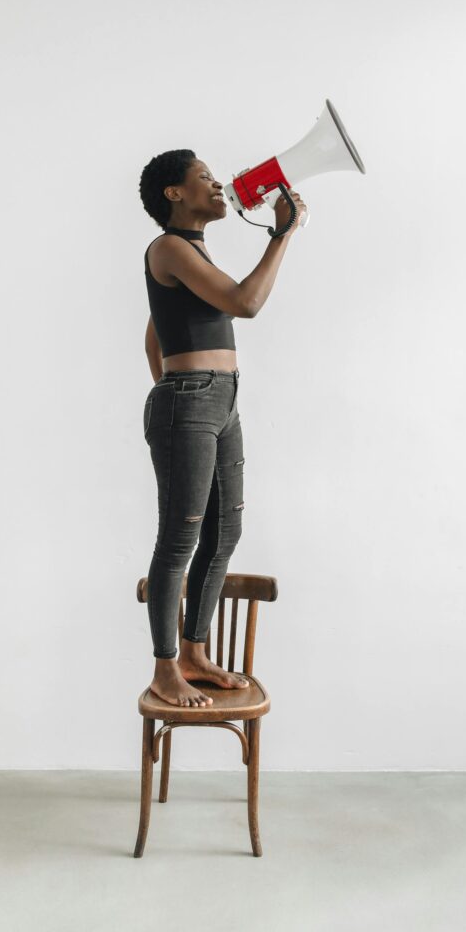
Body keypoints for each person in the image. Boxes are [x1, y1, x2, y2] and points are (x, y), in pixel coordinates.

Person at [138, 149, 306, 707]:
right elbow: (246, 304)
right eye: (204, 177)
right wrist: (281, 236)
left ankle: (193, 652)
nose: (218, 183)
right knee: (181, 537)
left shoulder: (192, 255)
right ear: (174, 194)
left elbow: (153, 332)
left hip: (219, 399)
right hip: (191, 402)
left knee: (224, 533)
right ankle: (166, 668)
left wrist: (187, 384)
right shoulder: (168, 246)